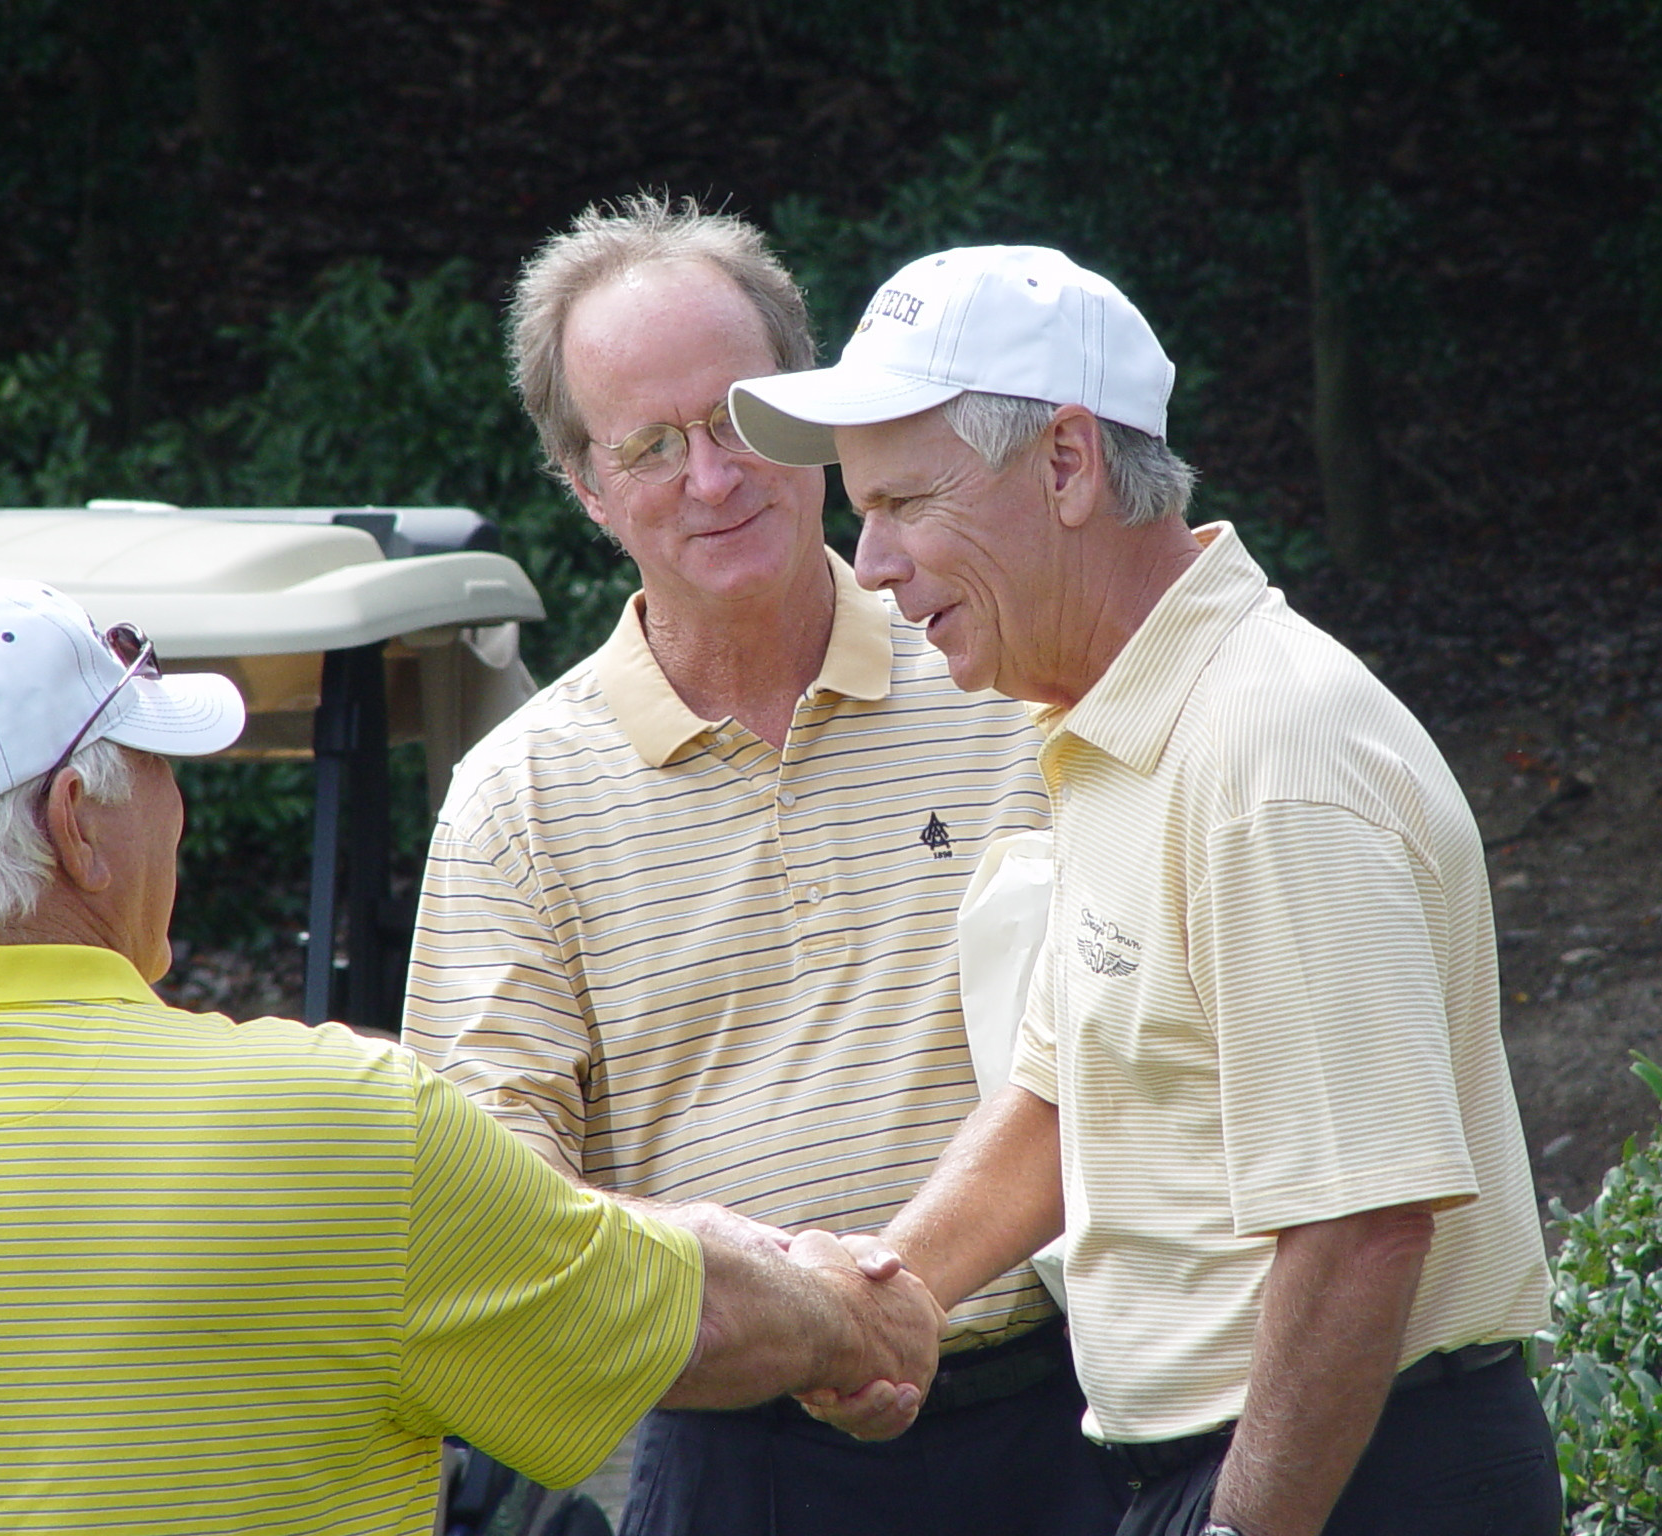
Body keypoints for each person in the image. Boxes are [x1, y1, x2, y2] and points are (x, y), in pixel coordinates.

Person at [728, 244, 1563, 1536]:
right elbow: (1067, 1098)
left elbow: (1365, 1228)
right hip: (1259, 1471)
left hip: (1346, 1478)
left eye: (902, 504)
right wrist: (889, 1297)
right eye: (861, 513)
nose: (873, 564)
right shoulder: (1118, 731)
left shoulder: (1265, 756)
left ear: (1067, 464)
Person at [0, 577, 942, 1536]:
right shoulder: (327, 1125)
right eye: (155, 769)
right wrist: (855, 1320)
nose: (179, 809)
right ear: (77, 824)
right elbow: (688, 1318)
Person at [402, 196, 1128, 1536]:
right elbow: (491, 1197)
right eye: (652, 446)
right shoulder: (518, 799)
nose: (714, 477)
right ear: (586, 488)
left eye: (740, 418)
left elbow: (1146, 1036)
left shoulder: (1008, 672)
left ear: (817, 417)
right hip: (737, 1468)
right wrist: (790, 1315)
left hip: (1067, 1420)